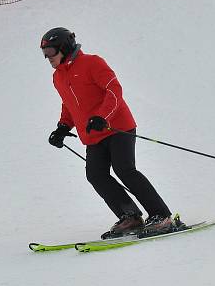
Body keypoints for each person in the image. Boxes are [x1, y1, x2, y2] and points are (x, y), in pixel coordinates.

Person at [40, 27, 182, 239]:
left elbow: (114, 89)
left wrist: (103, 116)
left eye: (50, 51)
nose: (47, 58)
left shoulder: (92, 63)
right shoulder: (57, 77)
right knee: (95, 175)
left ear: (64, 47)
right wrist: (62, 127)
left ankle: (161, 216)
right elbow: (69, 104)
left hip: (117, 126)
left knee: (125, 169)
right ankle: (130, 216)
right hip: (93, 135)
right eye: (44, 53)